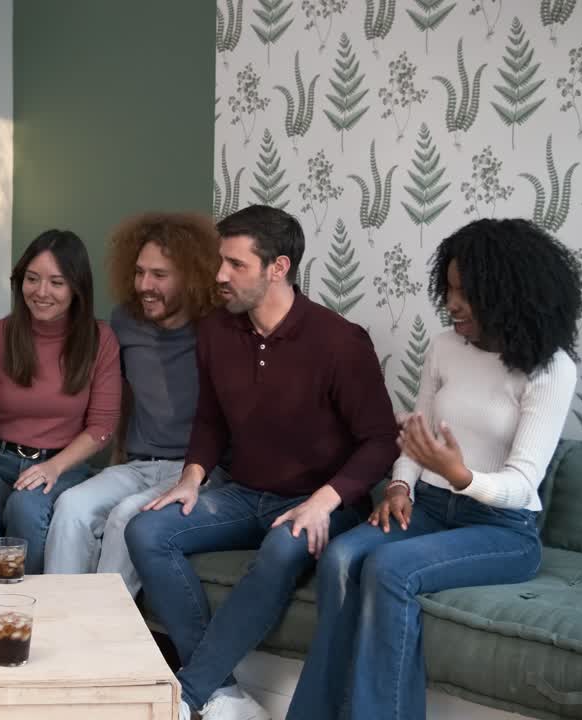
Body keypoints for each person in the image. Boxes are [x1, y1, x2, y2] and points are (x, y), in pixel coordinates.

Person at [287, 219, 581, 720]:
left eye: (467, 292)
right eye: (448, 288)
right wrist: (401, 484)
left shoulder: (549, 368)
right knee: (339, 558)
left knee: (388, 568)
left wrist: (461, 474)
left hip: (501, 530)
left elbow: (521, 483)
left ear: (509, 292)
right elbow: (417, 435)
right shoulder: (445, 347)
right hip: (427, 509)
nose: (452, 304)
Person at [124, 205, 398, 720]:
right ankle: (222, 690)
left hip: (324, 501)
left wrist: (323, 501)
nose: (220, 275)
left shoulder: (340, 341)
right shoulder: (215, 332)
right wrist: (191, 478)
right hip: (246, 493)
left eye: (236, 264)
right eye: (219, 262)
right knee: (146, 531)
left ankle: (186, 694)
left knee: (281, 546)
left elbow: (381, 441)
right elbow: (210, 420)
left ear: (279, 267)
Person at [43, 212, 222, 596]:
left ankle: (100, 637)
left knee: (127, 516)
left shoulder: (217, 328)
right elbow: (120, 393)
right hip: (139, 464)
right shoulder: (126, 320)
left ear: (190, 276)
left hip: (198, 472)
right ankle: (58, 623)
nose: (144, 285)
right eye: (139, 272)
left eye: (159, 275)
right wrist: (116, 458)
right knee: (72, 506)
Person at [0, 229, 121, 576]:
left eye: (56, 282)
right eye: (32, 279)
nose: (42, 292)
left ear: (76, 288)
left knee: (26, 508)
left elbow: (102, 427)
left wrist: (52, 468)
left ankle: (29, 611)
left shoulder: (100, 340)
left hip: (63, 465)